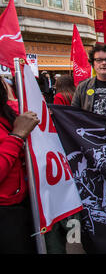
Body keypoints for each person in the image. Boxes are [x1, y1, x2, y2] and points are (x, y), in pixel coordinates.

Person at [0, 76, 40, 253]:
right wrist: (17, 137)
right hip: (5, 212)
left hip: (23, 203)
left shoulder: (6, 111)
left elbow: (18, 112)